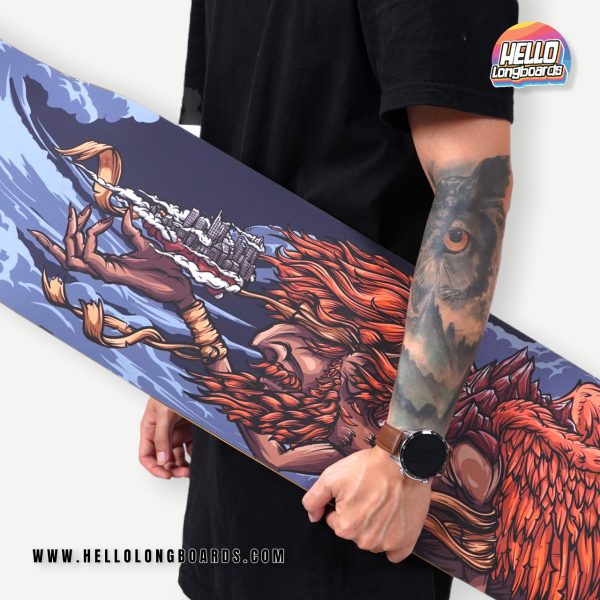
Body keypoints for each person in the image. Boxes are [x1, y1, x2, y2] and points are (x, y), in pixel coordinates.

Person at [139, 1, 518, 599]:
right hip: (239, 423)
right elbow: (237, 143)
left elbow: (475, 189)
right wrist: (188, 365)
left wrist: (407, 454)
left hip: (363, 460)